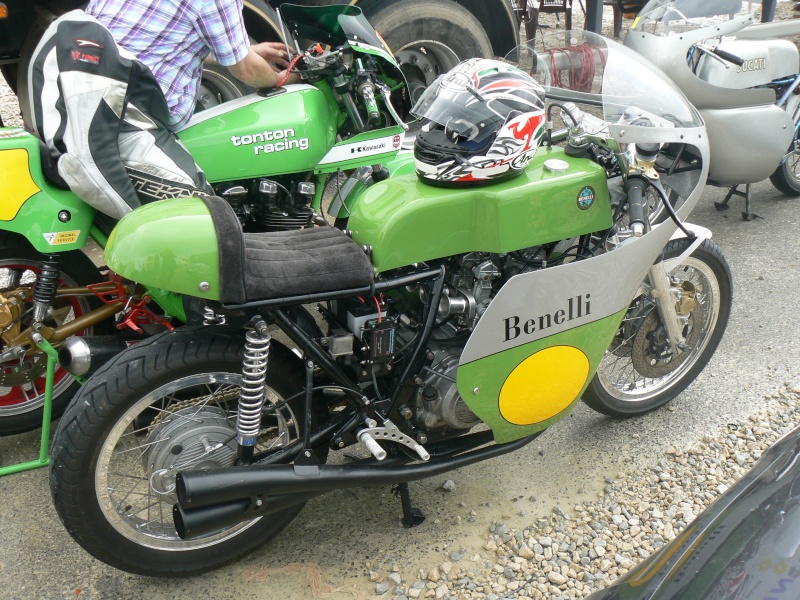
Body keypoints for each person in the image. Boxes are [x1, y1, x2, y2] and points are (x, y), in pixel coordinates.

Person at [25, 0, 292, 220]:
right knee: (211, 221)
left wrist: (243, 50)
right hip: (125, 117)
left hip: (79, 101)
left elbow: (166, 40)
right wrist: (286, 79)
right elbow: (245, 69)